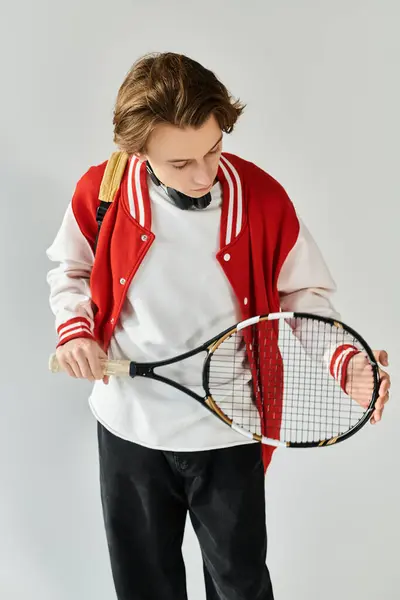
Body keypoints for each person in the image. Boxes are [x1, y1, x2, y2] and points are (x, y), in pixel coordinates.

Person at [46, 52, 390, 600]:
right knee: (143, 583)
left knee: (241, 583)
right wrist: (75, 330)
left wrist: (345, 363)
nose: (204, 174)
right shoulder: (102, 191)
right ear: (136, 151)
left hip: (228, 430)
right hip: (128, 426)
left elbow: (303, 295)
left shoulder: (263, 198)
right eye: (181, 163)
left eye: (213, 149)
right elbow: (71, 270)